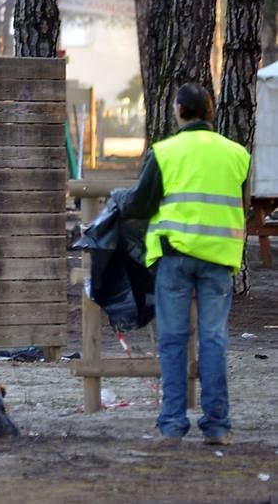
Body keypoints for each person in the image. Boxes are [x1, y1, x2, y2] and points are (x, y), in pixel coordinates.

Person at [119, 83, 249, 445]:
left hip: (175, 258)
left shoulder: (165, 152)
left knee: (174, 341)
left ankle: (172, 424)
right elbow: (244, 206)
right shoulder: (237, 154)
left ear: (178, 109)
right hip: (220, 259)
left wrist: (119, 201)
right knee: (213, 339)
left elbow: (140, 205)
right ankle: (218, 425)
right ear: (211, 112)